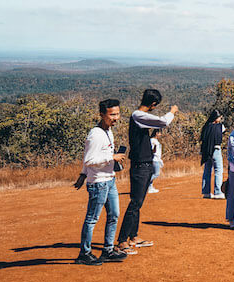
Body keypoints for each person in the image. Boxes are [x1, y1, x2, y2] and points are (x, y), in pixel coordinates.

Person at [115, 89, 178, 254]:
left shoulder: (140, 117)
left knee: (138, 203)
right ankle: (122, 241)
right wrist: (172, 111)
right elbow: (163, 122)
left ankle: (133, 237)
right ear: (153, 104)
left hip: (145, 163)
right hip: (140, 165)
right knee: (135, 203)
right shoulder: (138, 116)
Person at [76, 99, 129, 266]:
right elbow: (89, 159)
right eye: (112, 114)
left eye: (117, 114)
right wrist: (112, 157)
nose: (115, 117)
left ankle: (107, 249)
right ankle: (84, 253)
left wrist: (83, 175)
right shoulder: (96, 134)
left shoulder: (108, 131)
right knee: (92, 218)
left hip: (109, 179)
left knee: (114, 215)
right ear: (102, 114)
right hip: (98, 182)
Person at [199, 109, 226, 199]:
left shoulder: (206, 127)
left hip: (207, 151)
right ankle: (218, 192)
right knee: (218, 170)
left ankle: (206, 192)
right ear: (216, 118)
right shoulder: (219, 126)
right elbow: (223, 132)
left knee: (207, 171)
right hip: (216, 150)